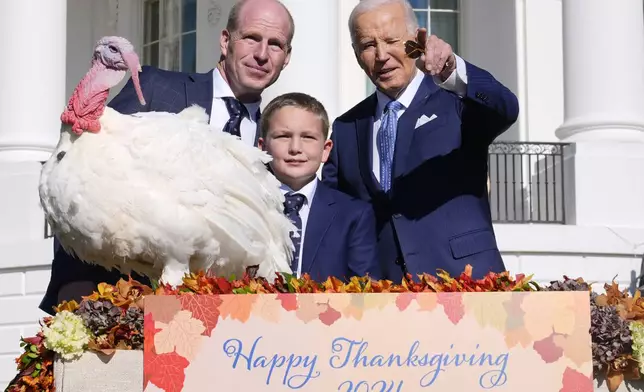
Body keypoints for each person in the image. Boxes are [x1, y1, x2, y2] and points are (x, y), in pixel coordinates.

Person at [39, 0, 295, 314]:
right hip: (121, 312)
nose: (261, 54)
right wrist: (78, 298)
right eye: (252, 38)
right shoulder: (155, 88)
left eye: (275, 45)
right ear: (226, 40)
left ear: (286, 58)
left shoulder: (283, 135)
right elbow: (82, 173)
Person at [321, 0, 519, 282]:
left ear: (417, 41)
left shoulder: (457, 102)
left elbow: (506, 108)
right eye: (367, 45)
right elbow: (331, 213)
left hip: (467, 284)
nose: (381, 55)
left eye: (392, 40)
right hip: (384, 295)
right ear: (356, 55)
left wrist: (452, 70)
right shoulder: (345, 127)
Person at [259, 92, 381, 282]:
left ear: (326, 150)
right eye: (283, 136)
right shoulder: (244, 206)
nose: (295, 148)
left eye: (308, 137)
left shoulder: (354, 216)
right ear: (263, 148)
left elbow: (365, 291)